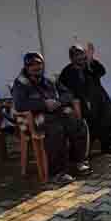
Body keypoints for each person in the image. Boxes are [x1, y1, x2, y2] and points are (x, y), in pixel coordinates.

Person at [12, 52, 91, 184]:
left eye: (39, 64)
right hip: (34, 117)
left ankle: (78, 162)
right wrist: (44, 104)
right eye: (31, 65)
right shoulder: (21, 83)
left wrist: (58, 102)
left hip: (54, 112)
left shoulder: (49, 79)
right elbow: (20, 104)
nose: (36, 67)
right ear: (26, 67)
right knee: (56, 130)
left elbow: (68, 93)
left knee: (77, 124)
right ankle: (57, 173)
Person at [59, 44, 111, 155]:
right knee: (88, 116)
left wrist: (91, 60)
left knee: (109, 112)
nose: (80, 57)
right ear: (71, 58)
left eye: (82, 54)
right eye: (77, 55)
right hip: (80, 102)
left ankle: (107, 145)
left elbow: (102, 71)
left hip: (99, 99)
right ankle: (85, 147)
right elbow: (65, 90)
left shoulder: (89, 66)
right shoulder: (67, 71)